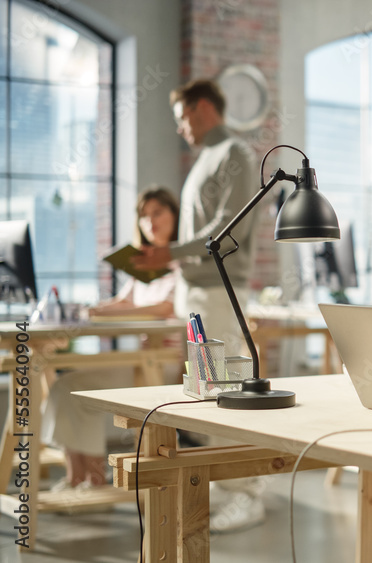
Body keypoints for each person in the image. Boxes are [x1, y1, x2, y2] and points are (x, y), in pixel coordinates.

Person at [132, 78, 265, 534]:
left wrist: (168, 253)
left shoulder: (235, 155)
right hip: (197, 292)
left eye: (183, 118)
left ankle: (249, 495)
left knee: (230, 388)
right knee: (208, 394)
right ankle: (226, 487)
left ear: (203, 108)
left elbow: (228, 228)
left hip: (220, 292)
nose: (181, 128)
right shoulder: (204, 159)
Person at [42, 187, 181, 490]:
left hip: (164, 364)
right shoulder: (142, 265)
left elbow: (166, 308)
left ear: (174, 214)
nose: (150, 221)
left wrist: (114, 314)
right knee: (65, 387)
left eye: (157, 212)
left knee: (74, 390)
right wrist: (86, 309)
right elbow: (122, 302)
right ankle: (76, 477)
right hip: (141, 361)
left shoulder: (182, 263)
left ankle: (93, 479)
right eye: (144, 216)